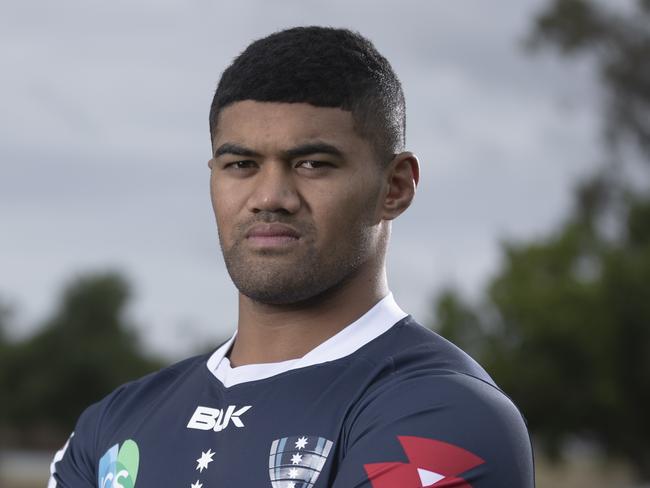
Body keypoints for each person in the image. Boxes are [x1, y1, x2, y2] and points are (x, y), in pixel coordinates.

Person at [48, 26, 534, 487]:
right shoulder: (112, 426)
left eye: (312, 164)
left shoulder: (444, 414)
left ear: (395, 186)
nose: (270, 196)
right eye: (241, 164)